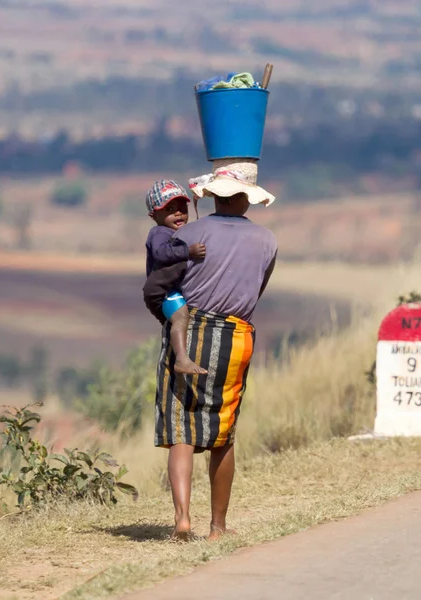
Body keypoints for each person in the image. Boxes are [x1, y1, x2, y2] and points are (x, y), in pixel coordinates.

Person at [143, 159, 278, 541]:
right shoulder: (268, 241)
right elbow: (256, 293)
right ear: (247, 199)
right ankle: (218, 526)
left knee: (181, 431)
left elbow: (157, 284)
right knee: (224, 435)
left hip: (191, 335)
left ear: (215, 195)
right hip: (236, 340)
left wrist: (165, 318)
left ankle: (182, 519)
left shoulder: (187, 235)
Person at [145, 180, 207, 375]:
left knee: (176, 321)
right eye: (170, 209)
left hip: (169, 290)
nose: (178, 213)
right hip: (163, 291)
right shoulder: (159, 233)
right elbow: (161, 253)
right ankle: (182, 359)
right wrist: (187, 252)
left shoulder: (179, 233)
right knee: (181, 318)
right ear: (154, 215)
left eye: (182, 208)